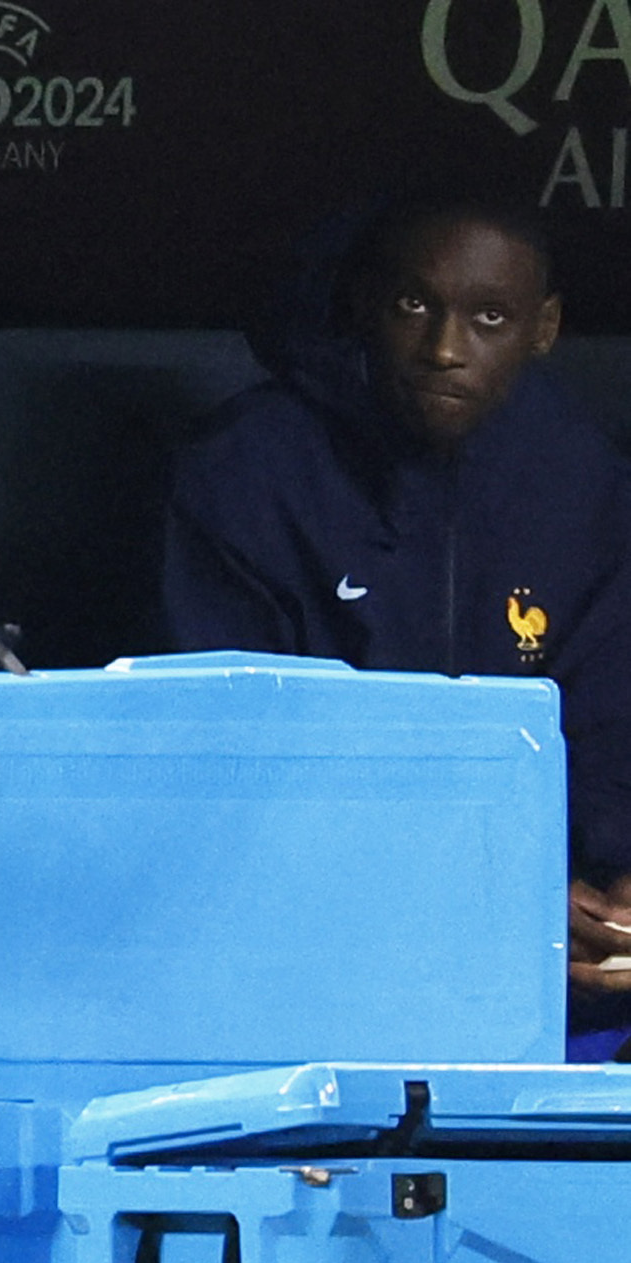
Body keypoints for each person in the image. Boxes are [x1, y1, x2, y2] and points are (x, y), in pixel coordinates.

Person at [163, 192, 631, 1057]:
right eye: (416, 307)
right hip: (317, 934)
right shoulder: (251, 471)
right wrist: (508, 893)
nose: (446, 349)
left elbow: (609, 729)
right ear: (368, 308)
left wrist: (615, 892)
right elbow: (239, 764)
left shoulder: (588, 485)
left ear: (544, 327)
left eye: (490, 316)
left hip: (556, 945)